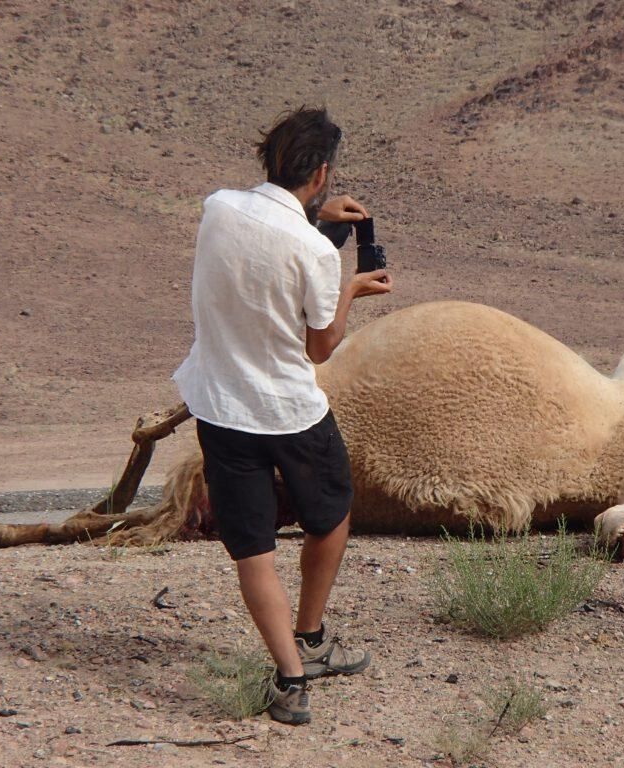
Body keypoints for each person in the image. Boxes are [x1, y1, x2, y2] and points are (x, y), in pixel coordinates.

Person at [172, 107, 393, 725]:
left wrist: (314, 213)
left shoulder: (217, 207)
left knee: (254, 549)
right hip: (290, 413)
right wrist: (351, 287)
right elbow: (320, 347)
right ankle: (313, 637)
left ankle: (289, 681)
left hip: (219, 407)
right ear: (321, 173)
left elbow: (256, 227)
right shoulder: (315, 255)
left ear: (271, 159)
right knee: (331, 514)